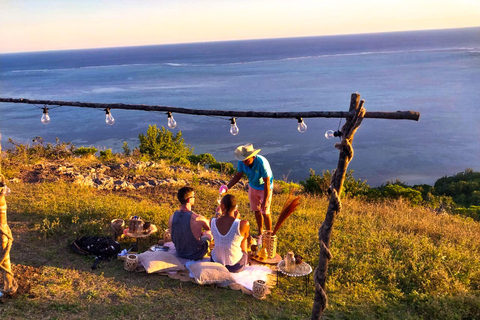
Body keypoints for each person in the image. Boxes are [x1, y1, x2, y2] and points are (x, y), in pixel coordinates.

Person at [225, 143, 273, 236]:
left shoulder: (261, 163)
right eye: (243, 160)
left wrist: (265, 200)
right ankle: (260, 232)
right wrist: (227, 187)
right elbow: (238, 176)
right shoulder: (241, 162)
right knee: (256, 210)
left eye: (247, 160)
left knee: (265, 211)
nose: (244, 162)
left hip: (264, 187)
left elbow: (267, 182)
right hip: (253, 186)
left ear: (253, 157)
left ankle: (269, 235)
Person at [168, 187, 212, 260]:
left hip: (180, 252)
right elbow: (210, 227)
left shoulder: (172, 217)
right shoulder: (197, 218)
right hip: (196, 254)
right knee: (209, 232)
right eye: (194, 196)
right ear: (189, 199)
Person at [210, 194, 250, 273]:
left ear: (223, 206)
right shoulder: (243, 223)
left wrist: (218, 213)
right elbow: (245, 238)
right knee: (243, 239)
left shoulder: (212, 221)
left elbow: (221, 223)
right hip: (235, 266)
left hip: (215, 262)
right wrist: (236, 219)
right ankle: (245, 256)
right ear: (235, 208)